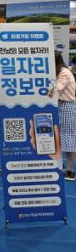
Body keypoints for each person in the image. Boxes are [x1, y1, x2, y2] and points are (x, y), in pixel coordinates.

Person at [50, 51, 76, 181]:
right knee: (60, 138)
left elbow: (56, 91)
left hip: (67, 106)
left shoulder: (64, 73)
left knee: (68, 139)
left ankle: (70, 171)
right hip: (61, 106)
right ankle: (63, 166)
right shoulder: (59, 72)